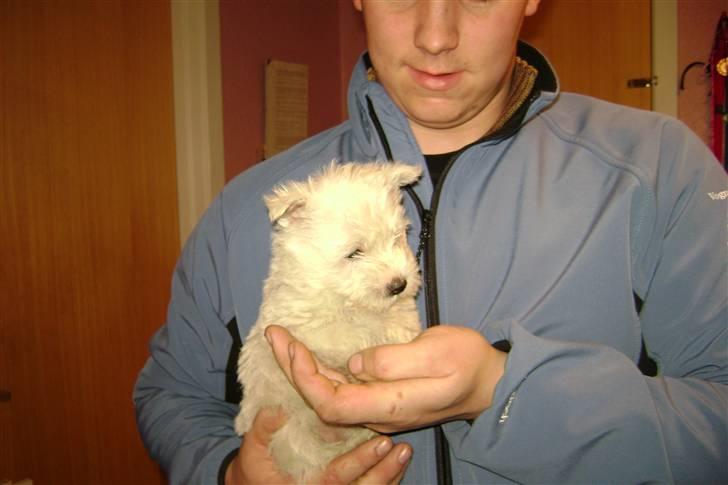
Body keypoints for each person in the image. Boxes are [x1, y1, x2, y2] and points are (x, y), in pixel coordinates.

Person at [134, 0, 728, 483]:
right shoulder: (248, 207)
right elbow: (171, 392)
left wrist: (504, 391)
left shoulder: (657, 169)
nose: (436, 34)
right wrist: (229, 473)